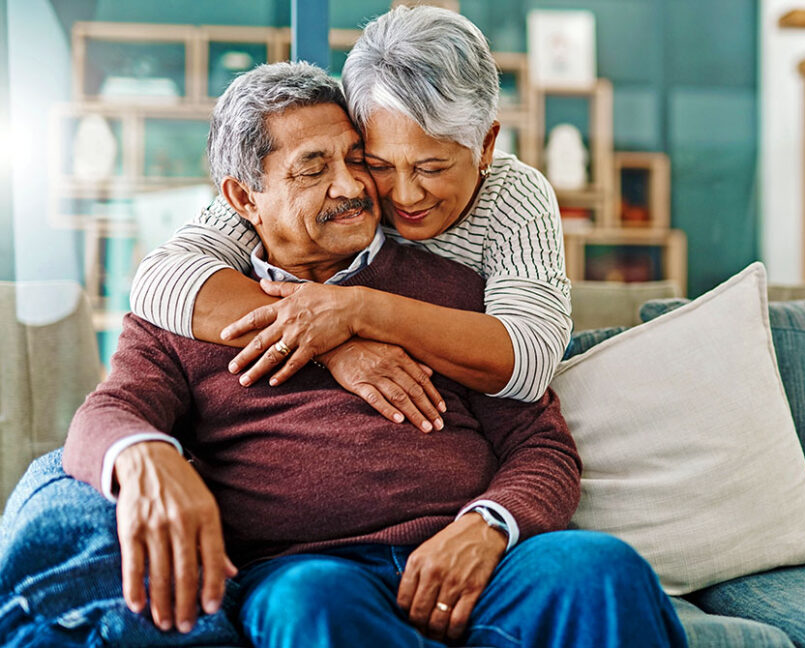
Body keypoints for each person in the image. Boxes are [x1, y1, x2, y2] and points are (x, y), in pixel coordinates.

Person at [55, 62, 688, 648]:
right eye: (312, 169)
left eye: (357, 158)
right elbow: (104, 415)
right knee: (310, 602)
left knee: (599, 569)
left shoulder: (452, 290)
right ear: (245, 199)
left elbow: (541, 444)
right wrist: (143, 459)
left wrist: (489, 526)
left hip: (476, 560)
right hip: (313, 571)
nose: (352, 186)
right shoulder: (184, 313)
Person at [129, 5, 571, 435]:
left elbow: (530, 361)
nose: (403, 195)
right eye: (377, 163)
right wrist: (336, 342)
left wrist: (359, 310)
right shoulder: (327, 189)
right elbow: (160, 280)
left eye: (431, 168)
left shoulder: (514, 196)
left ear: (486, 146)